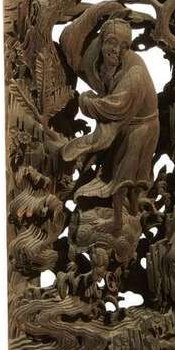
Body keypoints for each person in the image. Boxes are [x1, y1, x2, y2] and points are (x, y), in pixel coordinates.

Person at [63, 18, 159, 232]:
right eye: (112, 42)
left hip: (141, 129)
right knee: (118, 169)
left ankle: (117, 222)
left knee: (123, 176)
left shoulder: (134, 74)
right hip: (128, 123)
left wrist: (87, 102)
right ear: (102, 41)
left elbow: (115, 107)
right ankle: (131, 210)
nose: (117, 50)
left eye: (124, 46)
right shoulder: (98, 60)